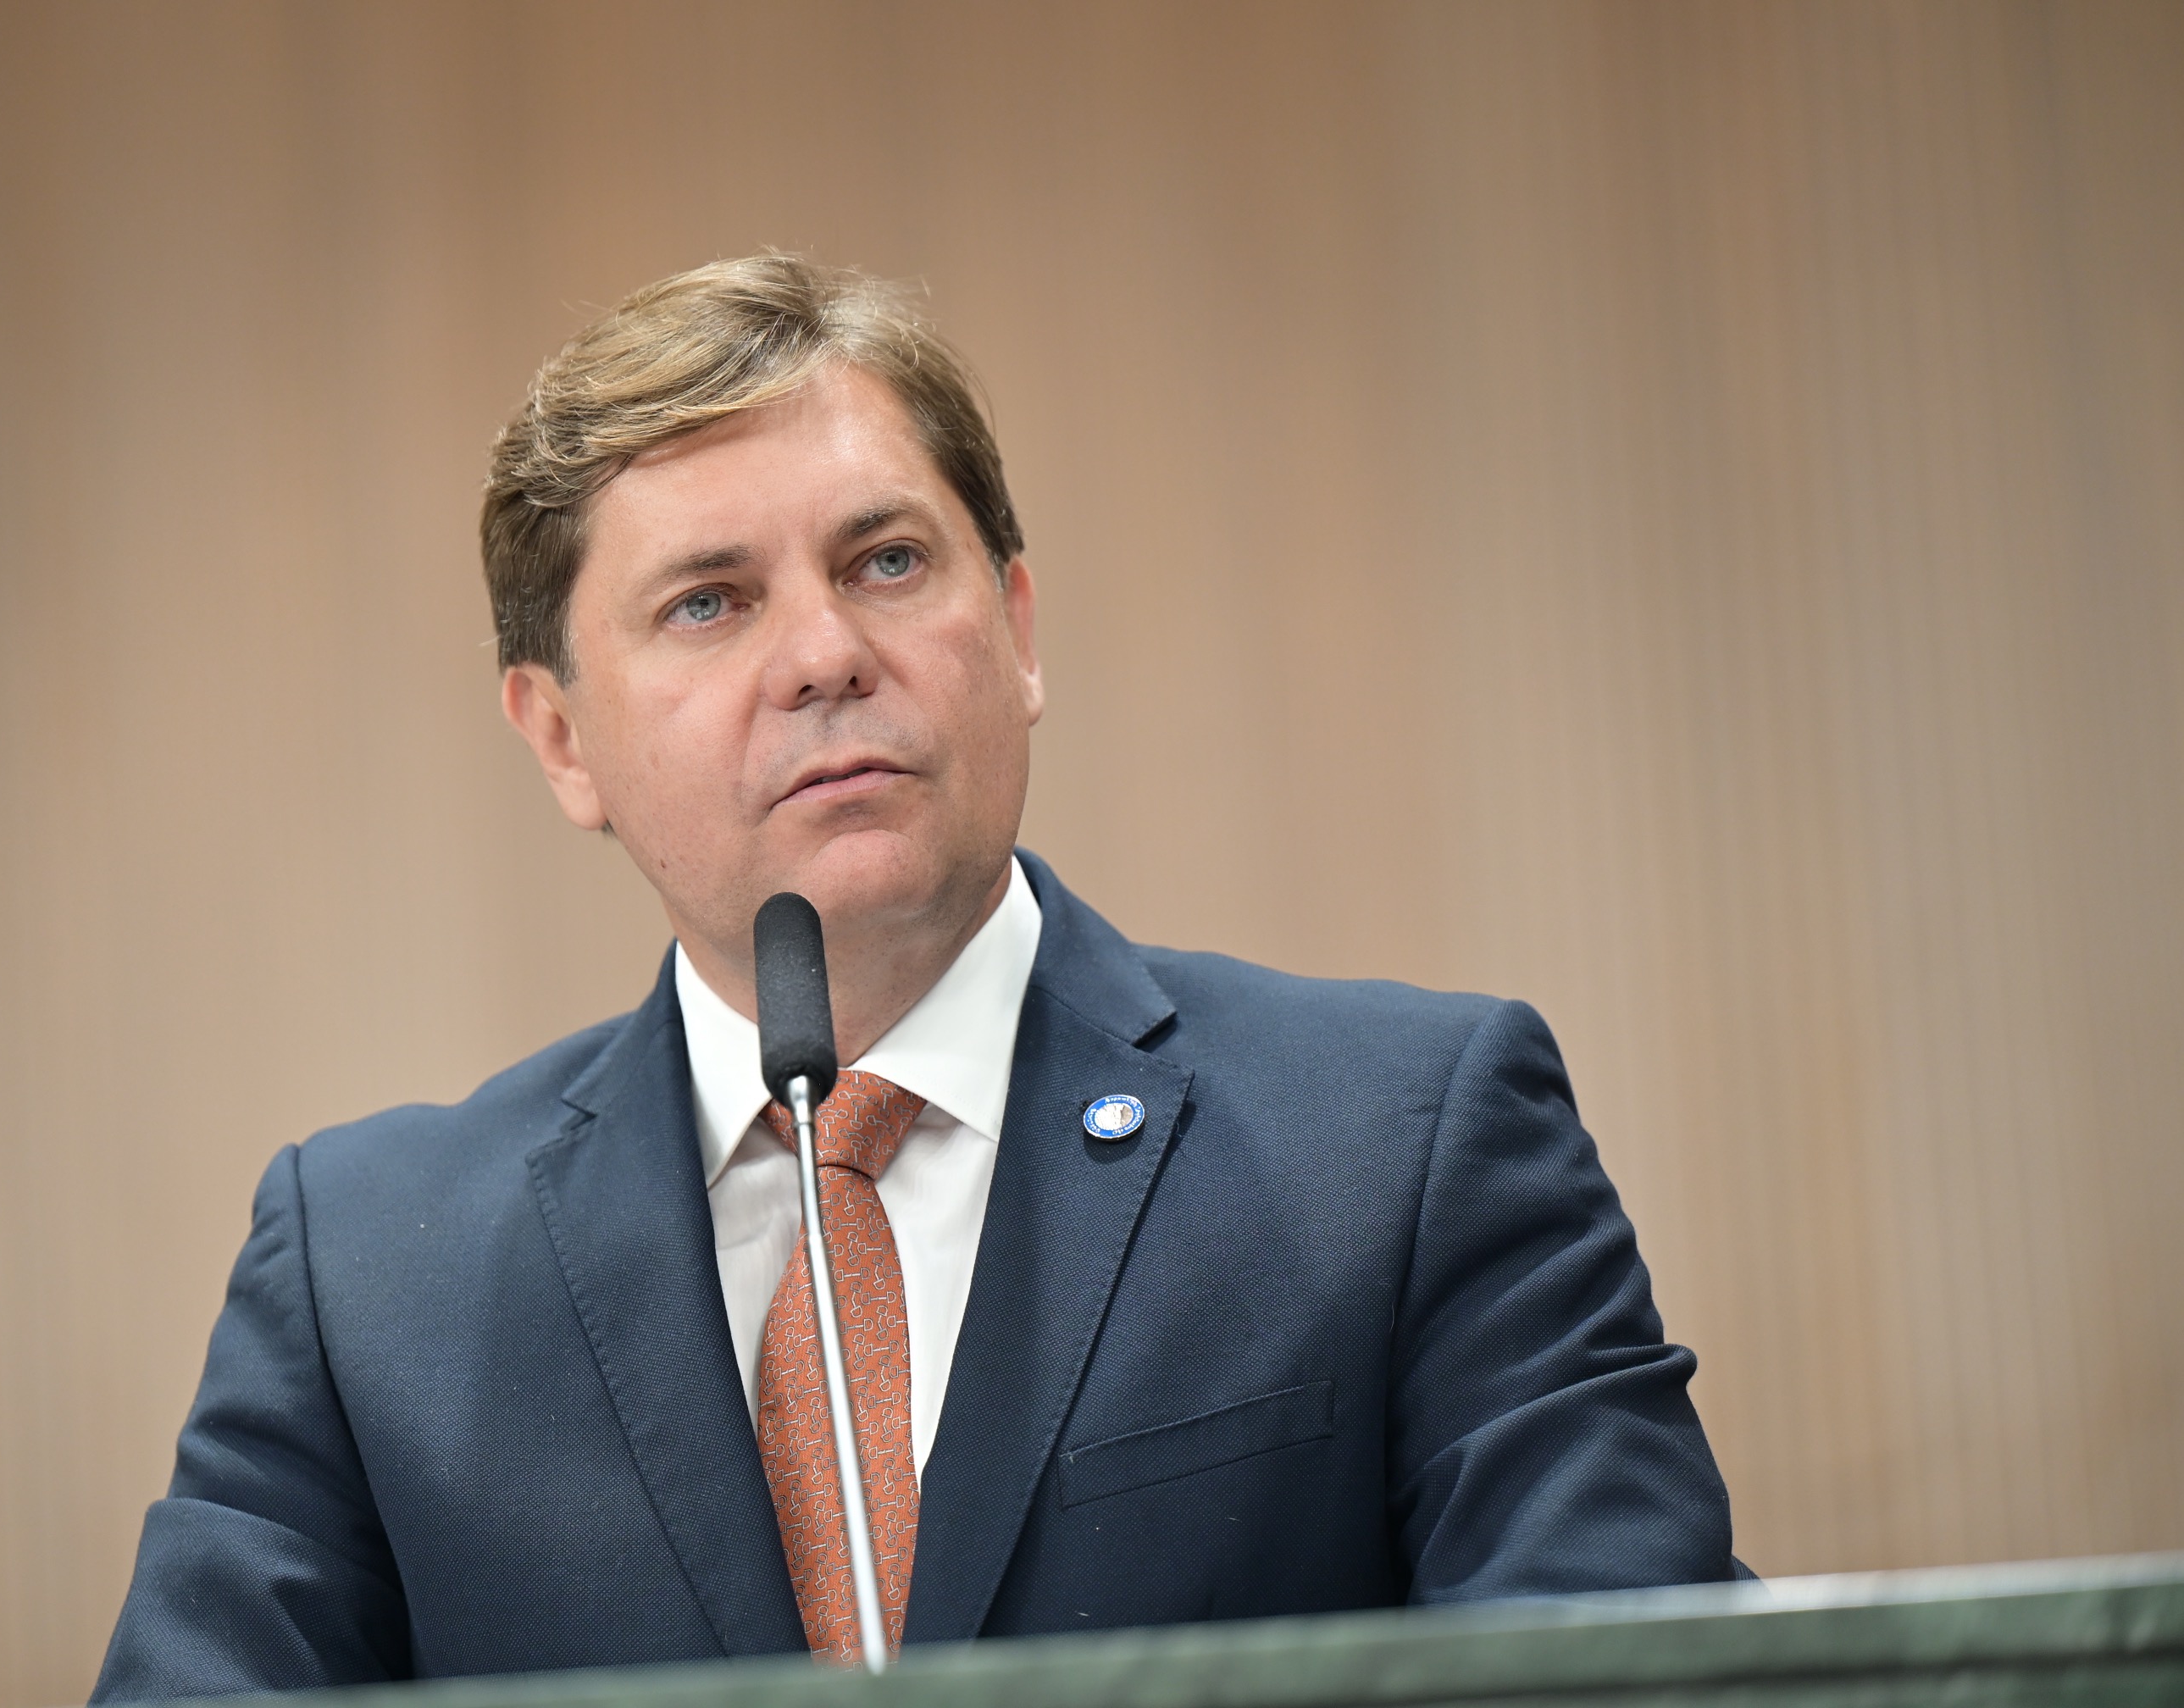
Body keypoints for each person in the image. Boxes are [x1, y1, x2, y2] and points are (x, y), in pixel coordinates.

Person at [91, 254, 1736, 1701]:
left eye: (885, 562)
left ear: (1015, 629)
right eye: (709, 603)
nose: (824, 655)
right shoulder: (370, 1282)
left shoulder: (1403, 1147)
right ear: (561, 737)